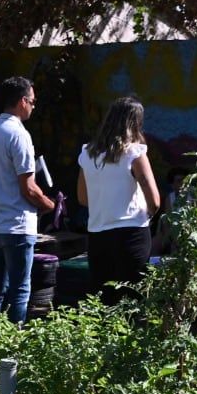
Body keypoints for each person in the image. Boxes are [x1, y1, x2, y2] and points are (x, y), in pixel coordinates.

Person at [0, 76, 56, 322]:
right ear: (22, 101)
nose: (33, 106)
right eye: (32, 101)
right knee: (20, 290)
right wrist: (49, 205)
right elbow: (29, 188)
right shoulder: (19, 135)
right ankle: (15, 339)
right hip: (16, 224)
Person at [75, 96, 162, 305]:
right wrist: (148, 213)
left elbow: (83, 198)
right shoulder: (135, 153)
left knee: (103, 299)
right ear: (136, 122)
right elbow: (155, 200)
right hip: (131, 234)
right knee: (131, 299)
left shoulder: (87, 154)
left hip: (98, 235)